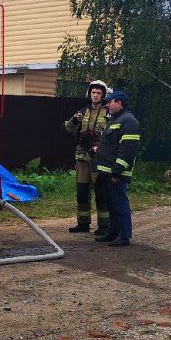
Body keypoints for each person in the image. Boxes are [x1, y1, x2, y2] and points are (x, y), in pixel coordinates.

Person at [93, 90, 141, 246]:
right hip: (107, 171)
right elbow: (111, 145)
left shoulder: (128, 121)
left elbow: (128, 149)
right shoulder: (115, 119)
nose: (107, 105)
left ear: (119, 103)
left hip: (116, 173)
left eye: (109, 102)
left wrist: (117, 171)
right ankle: (113, 233)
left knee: (120, 204)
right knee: (111, 204)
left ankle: (124, 236)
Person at [63, 80, 109, 234]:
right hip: (82, 156)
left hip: (99, 157)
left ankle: (104, 226)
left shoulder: (108, 113)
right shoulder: (83, 111)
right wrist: (75, 120)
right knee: (82, 190)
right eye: (93, 93)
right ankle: (83, 223)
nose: (95, 95)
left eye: (98, 93)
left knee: (101, 191)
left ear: (103, 95)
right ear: (89, 94)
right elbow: (68, 129)